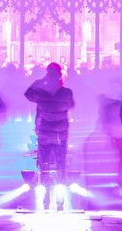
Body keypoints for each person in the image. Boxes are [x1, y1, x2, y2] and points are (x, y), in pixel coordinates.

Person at [24, 62, 75, 210]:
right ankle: (60, 202)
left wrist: (41, 81)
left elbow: (27, 94)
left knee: (44, 166)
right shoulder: (66, 93)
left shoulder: (41, 93)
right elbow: (70, 105)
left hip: (45, 134)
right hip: (61, 135)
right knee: (61, 166)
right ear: (60, 75)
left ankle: (46, 202)